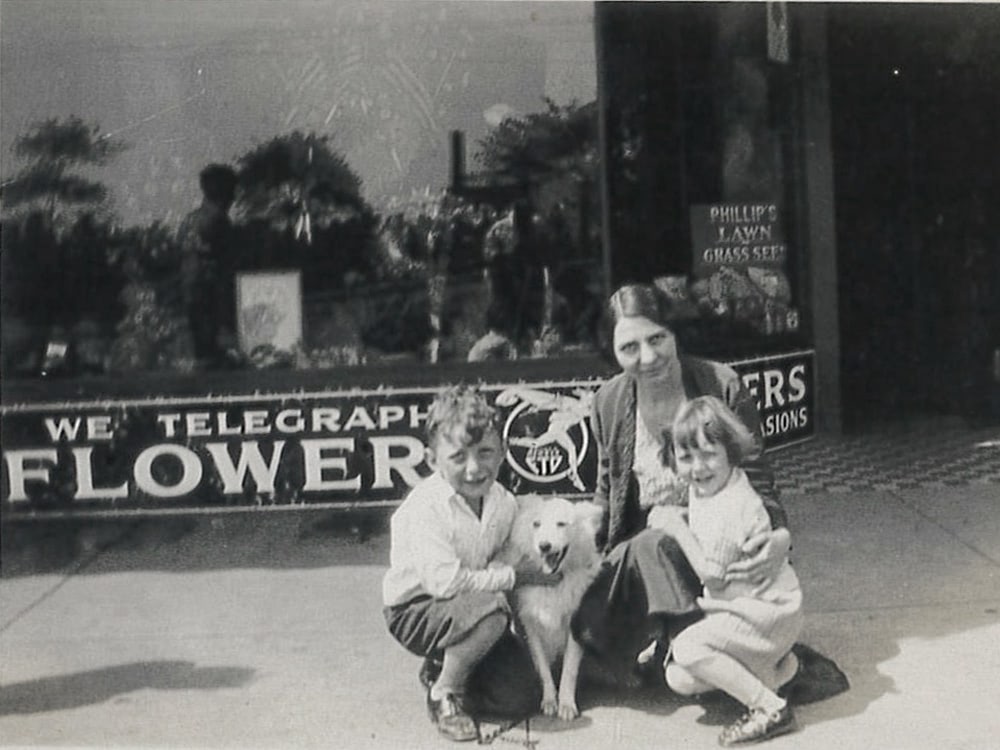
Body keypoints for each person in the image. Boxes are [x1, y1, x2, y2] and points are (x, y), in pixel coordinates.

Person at [571, 283, 791, 685]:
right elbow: (606, 492)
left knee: (658, 542)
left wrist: (779, 538)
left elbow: (758, 478)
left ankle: (690, 648)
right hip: (644, 556)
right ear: (613, 353)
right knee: (647, 546)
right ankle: (690, 645)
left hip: (720, 545)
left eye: (658, 338)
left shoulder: (719, 384)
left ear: (676, 334)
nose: (649, 357)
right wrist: (575, 540)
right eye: (630, 348)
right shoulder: (608, 401)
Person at [382, 385, 556, 742]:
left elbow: (506, 550)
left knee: (522, 695)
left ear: (503, 452)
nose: (475, 468)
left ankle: (444, 665)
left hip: (469, 608)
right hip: (415, 610)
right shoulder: (426, 507)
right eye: (458, 457)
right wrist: (515, 576)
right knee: (491, 613)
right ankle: (445, 692)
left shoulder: (502, 501)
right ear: (433, 460)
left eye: (485, 452)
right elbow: (445, 585)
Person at [649, 396, 803, 746]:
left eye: (708, 454)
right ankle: (780, 671)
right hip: (750, 610)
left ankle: (770, 708)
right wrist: (685, 517)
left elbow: (711, 575)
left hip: (765, 614)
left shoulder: (734, 506)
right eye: (686, 458)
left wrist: (675, 526)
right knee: (679, 678)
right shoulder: (713, 486)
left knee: (687, 647)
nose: (697, 467)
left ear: (731, 453)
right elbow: (710, 523)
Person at [178, 163, 239, 369]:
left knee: (202, 350)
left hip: (190, 289)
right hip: (211, 292)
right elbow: (225, 264)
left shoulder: (190, 220)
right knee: (214, 357)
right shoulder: (219, 222)